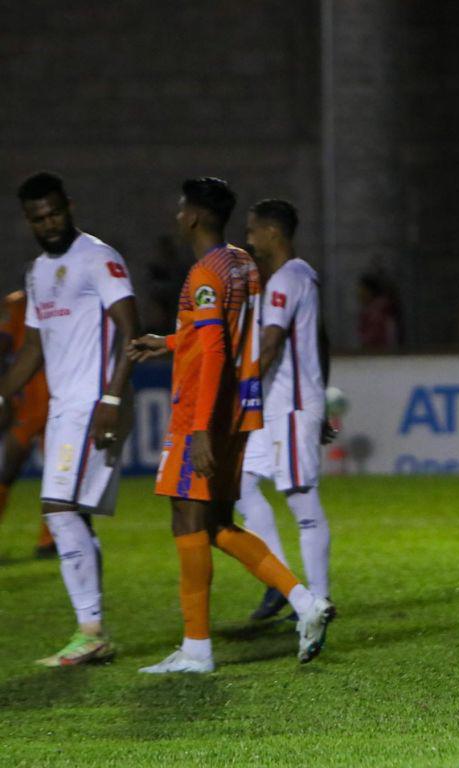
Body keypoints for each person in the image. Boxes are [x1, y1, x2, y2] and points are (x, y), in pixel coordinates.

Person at [128, 178, 333, 674]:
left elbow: (216, 351)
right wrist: (170, 342)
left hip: (203, 412)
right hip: (239, 412)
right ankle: (305, 601)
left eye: (182, 209)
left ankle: (196, 649)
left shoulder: (205, 271)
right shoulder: (242, 263)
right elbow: (223, 332)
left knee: (187, 519)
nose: (178, 216)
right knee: (217, 523)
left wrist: (200, 428)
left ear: (194, 217)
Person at [1, 171, 140, 666]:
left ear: (70, 206)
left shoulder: (97, 257)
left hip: (94, 403)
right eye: (39, 218)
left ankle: (91, 631)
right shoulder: (37, 272)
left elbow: (130, 329)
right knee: (71, 514)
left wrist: (113, 398)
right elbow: (33, 349)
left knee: (58, 509)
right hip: (65, 408)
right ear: (28, 221)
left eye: (55, 213)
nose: (49, 224)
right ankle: (92, 632)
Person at [236, 199, 334, 621]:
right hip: (278, 403)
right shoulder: (300, 276)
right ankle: (281, 583)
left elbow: (271, 343)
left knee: (301, 500)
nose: (248, 239)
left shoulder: (286, 279)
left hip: (290, 405)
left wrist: (240, 394)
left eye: (252, 230)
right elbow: (322, 341)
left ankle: (320, 598)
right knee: (240, 483)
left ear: (272, 232)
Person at [0, 289, 54, 557]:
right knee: (14, 467)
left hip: (46, 396)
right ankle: (50, 539)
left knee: (55, 472)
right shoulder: (21, 302)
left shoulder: (20, 302)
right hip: (40, 395)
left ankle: (50, 540)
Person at [357, 272, 401, 349]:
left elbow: (374, 339)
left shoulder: (377, 312)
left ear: (370, 291)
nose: (359, 294)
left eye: (362, 290)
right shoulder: (375, 309)